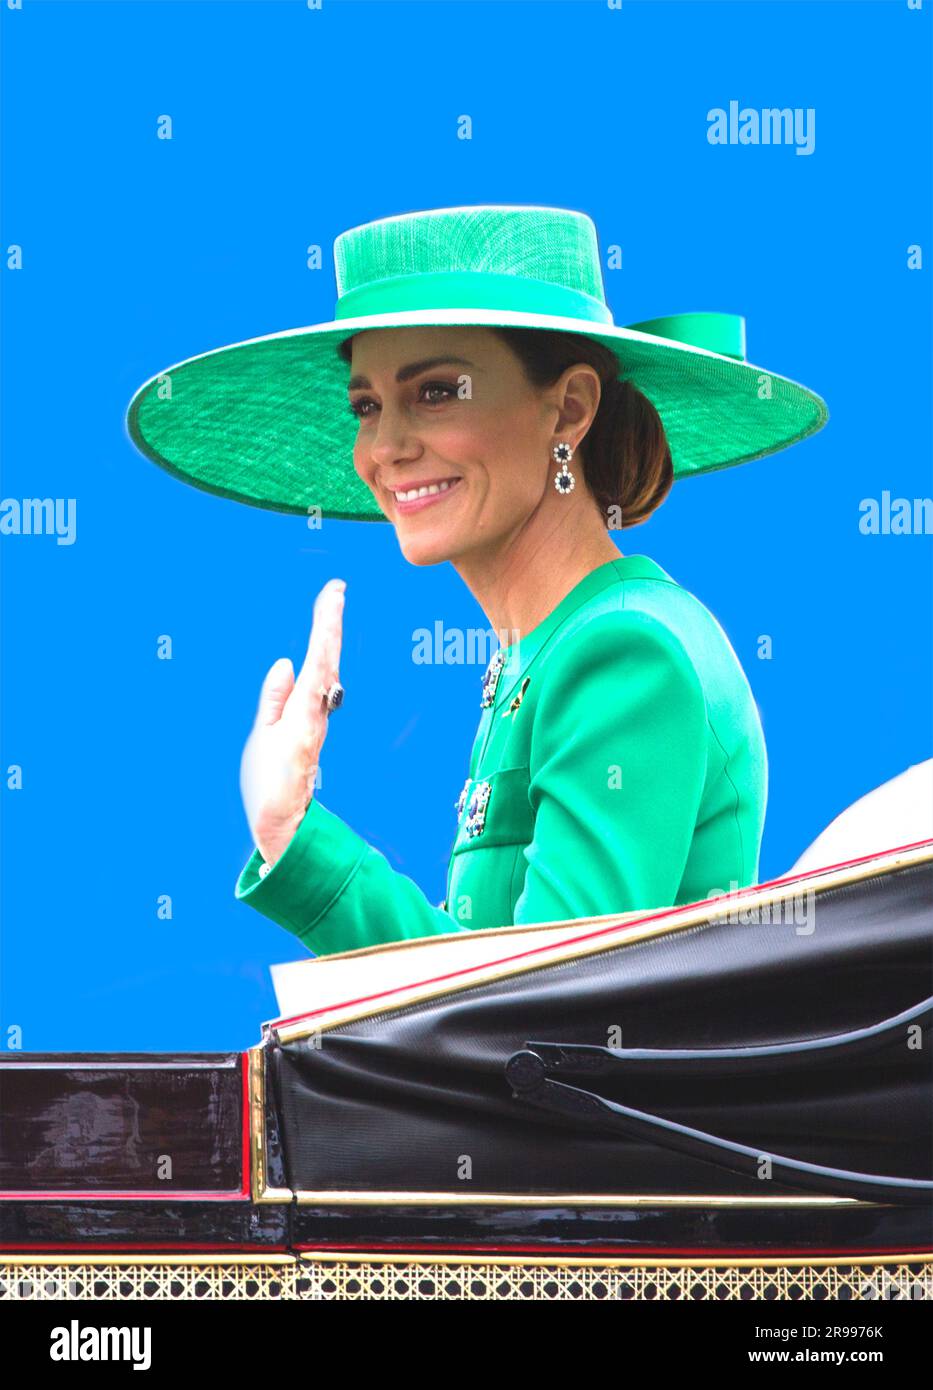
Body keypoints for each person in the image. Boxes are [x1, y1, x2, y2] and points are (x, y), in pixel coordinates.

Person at [125, 204, 829, 957]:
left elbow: (541, 1012)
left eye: (435, 393)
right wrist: (288, 834)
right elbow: (501, 988)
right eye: (366, 405)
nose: (384, 448)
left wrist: (296, 837)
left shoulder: (626, 652)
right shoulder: (545, 649)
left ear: (568, 408)